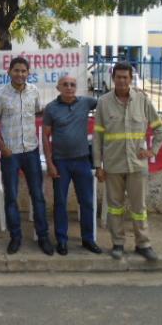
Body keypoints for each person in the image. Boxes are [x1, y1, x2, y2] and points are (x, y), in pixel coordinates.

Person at [92, 61, 162, 261]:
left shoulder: (142, 100)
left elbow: (160, 129)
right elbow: (97, 136)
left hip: (137, 165)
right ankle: (118, 243)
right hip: (113, 164)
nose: (122, 81)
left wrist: (153, 151)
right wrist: (98, 165)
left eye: (126, 77)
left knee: (138, 207)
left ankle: (143, 244)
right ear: (113, 78)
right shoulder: (103, 102)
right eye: (118, 77)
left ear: (131, 79)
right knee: (114, 207)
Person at [0, 57, 54, 256]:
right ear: (9, 72)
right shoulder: (0, 94)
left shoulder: (34, 91)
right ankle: (15, 237)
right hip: (10, 153)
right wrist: (1, 147)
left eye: (24, 71)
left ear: (28, 73)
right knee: (11, 197)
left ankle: (43, 237)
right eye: (16, 70)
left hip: (31, 151)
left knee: (38, 196)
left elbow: (38, 113)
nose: (20, 74)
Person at [42, 75, 102, 256]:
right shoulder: (51, 108)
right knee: (60, 203)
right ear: (58, 87)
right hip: (61, 162)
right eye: (65, 85)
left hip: (82, 160)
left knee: (87, 202)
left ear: (77, 87)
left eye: (73, 85)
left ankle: (88, 239)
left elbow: (107, 102)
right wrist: (50, 163)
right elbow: (45, 136)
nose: (69, 87)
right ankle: (61, 240)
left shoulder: (86, 103)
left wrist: (132, 93)